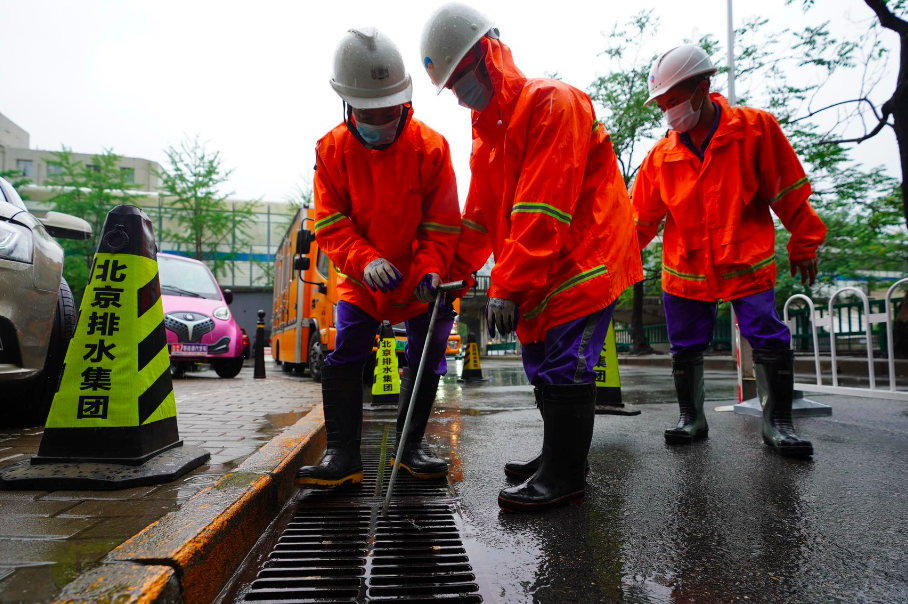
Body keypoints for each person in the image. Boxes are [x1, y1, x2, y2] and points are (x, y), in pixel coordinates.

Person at [420, 3, 643, 513]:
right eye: (449, 87)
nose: (458, 94)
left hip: (586, 259)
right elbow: (479, 218)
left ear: (488, 53)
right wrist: (452, 274)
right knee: (541, 362)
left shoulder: (550, 102)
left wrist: (506, 285)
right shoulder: (487, 133)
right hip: (546, 264)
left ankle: (565, 476)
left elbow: (542, 209)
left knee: (566, 365)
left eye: (460, 78)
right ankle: (556, 458)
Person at [631, 44, 826, 458]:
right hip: (686, 269)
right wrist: (610, 265)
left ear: (703, 88)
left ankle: (779, 423)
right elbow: (638, 223)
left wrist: (805, 240)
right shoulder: (661, 156)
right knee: (684, 345)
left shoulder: (755, 129)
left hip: (744, 259)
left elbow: (788, 191)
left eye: (674, 101)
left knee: (766, 335)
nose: (669, 113)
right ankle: (692, 418)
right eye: (662, 105)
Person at [296, 27, 461, 487]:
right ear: (348, 104)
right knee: (346, 355)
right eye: (370, 112)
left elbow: (443, 224)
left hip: (420, 276)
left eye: (389, 110)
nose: (381, 119)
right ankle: (342, 456)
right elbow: (330, 222)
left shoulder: (432, 148)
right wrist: (365, 260)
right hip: (362, 276)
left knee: (426, 357)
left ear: (404, 99)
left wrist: (429, 269)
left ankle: (411, 449)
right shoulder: (331, 151)